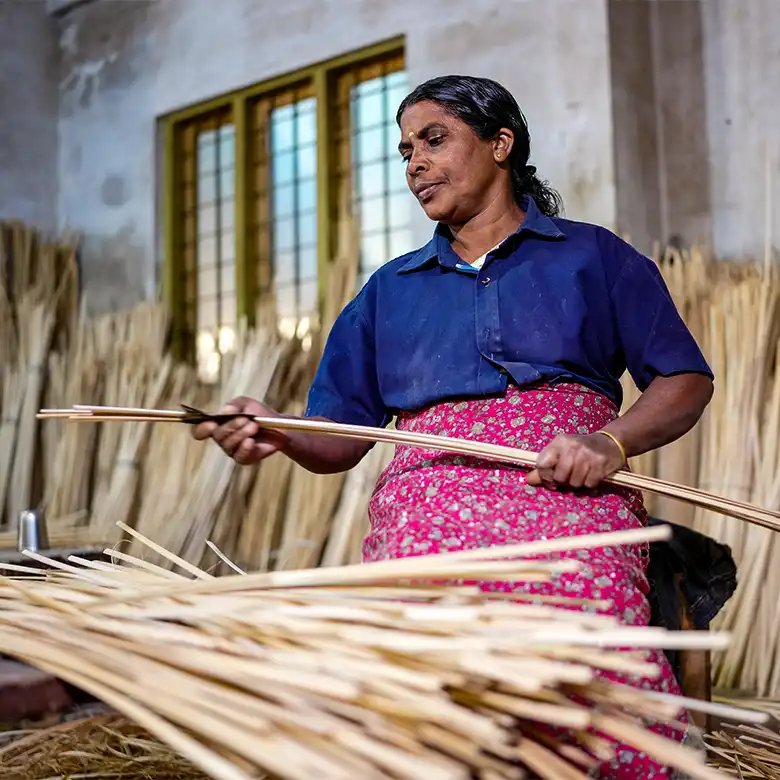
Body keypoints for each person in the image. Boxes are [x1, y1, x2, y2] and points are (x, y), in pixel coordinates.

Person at [193, 75, 714, 779]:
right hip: (425, 508)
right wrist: (277, 432)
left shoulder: (593, 256)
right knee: (404, 648)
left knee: (587, 620)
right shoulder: (389, 291)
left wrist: (609, 440)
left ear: (501, 144)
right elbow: (340, 438)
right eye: (405, 149)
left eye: (433, 140)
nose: (414, 163)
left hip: (565, 493)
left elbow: (684, 380)